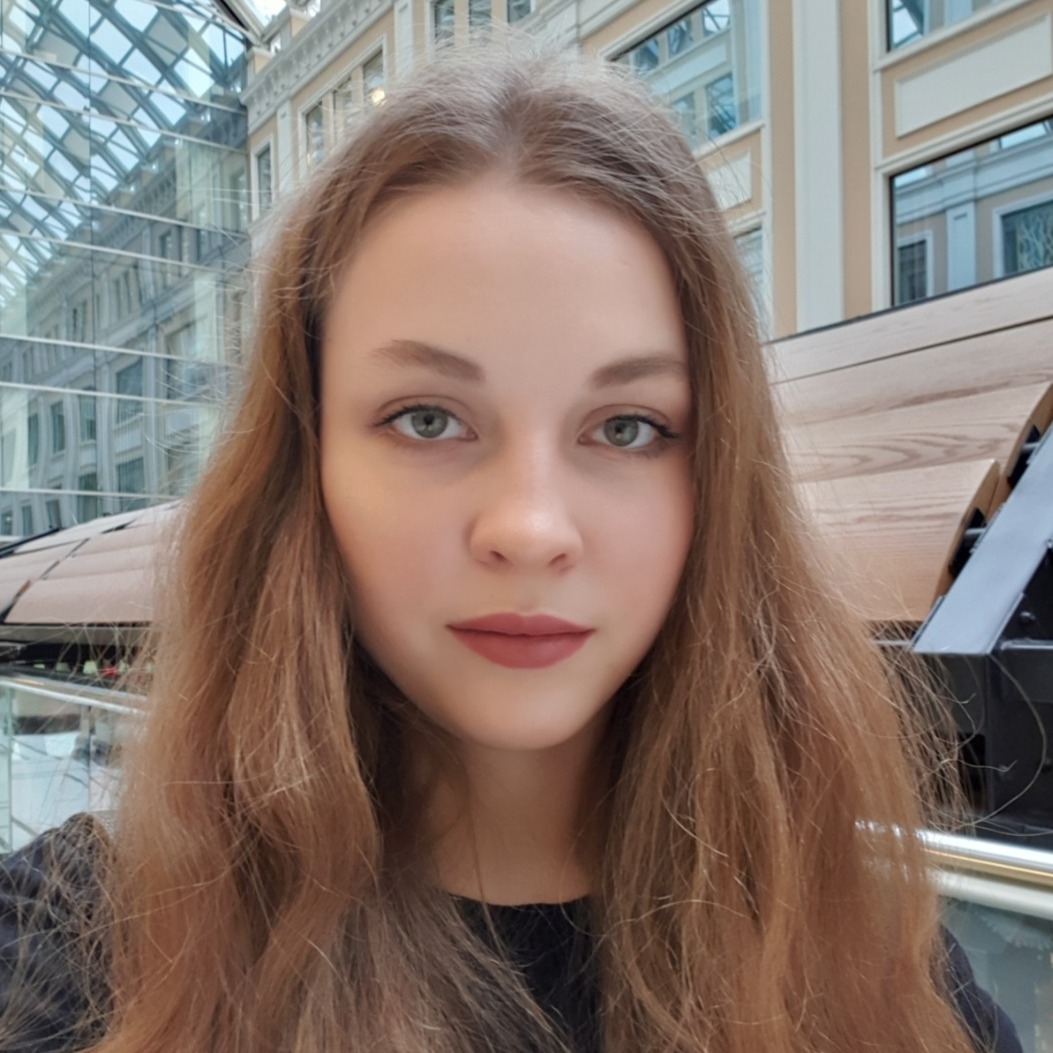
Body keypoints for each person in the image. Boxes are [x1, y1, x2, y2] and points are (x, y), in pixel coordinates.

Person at [0, 40, 1023, 1053]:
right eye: (428, 420)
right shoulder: (89, 949)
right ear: (304, 468)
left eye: (627, 426)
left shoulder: (868, 964)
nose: (530, 529)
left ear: (716, 481)